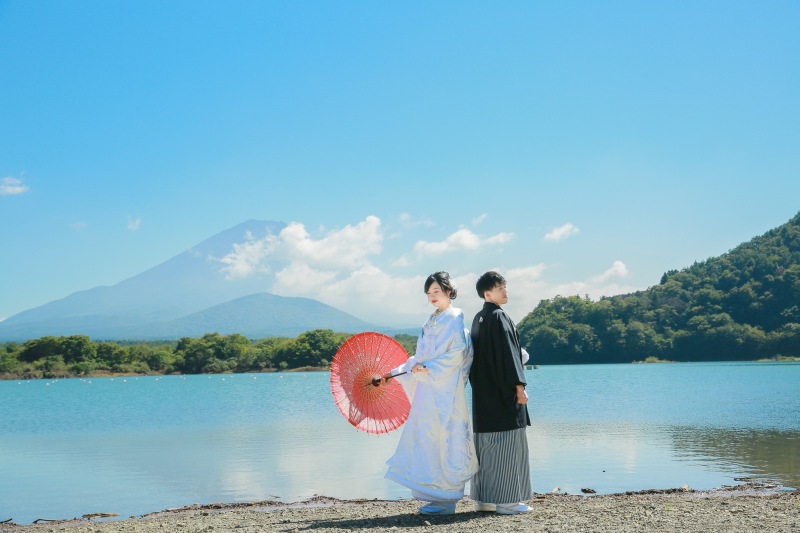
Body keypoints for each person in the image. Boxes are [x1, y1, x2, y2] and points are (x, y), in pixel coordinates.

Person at [377, 271, 478, 515]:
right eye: (429, 292)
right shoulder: (430, 320)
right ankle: (435, 496)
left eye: (437, 291)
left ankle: (448, 498)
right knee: (427, 438)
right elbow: (418, 358)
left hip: (445, 390)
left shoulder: (455, 315)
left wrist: (431, 367)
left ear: (449, 291)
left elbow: (457, 351)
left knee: (447, 437)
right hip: (427, 389)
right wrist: (391, 374)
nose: (432, 296)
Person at [469, 271, 533, 515]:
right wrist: (519, 388)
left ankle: (484, 500)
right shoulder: (499, 317)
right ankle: (507, 502)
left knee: (486, 448)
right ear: (488, 293)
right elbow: (509, 357)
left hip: (483, 397)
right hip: (503, 395)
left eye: (505, 287)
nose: (506, 292)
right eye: (500, 288)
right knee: (508, 445)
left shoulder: (478, 319)